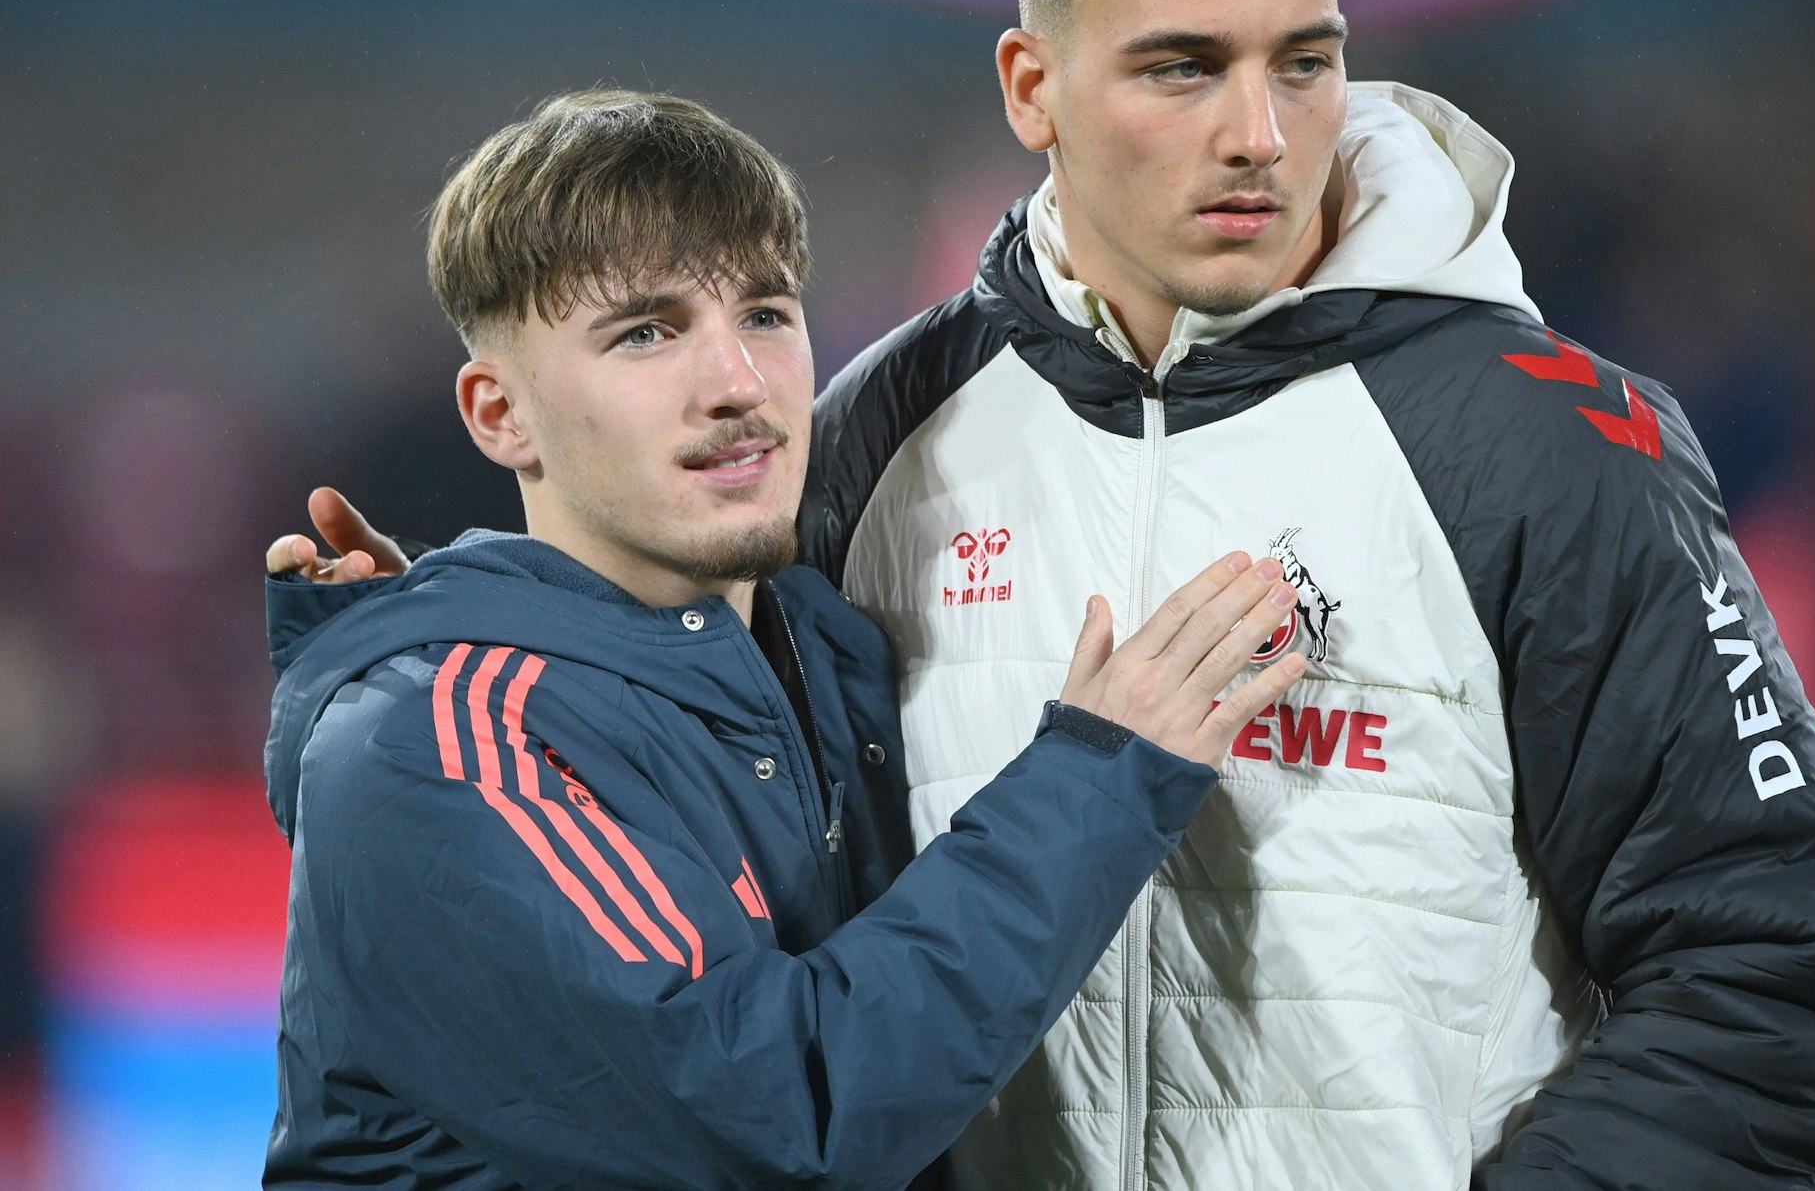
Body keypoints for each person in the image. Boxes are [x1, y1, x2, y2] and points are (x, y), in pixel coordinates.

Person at [279, 0, 1815, 1188]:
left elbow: (1779, 979)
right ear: (1031, 88)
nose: (1261, 134)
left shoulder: (1545, 446)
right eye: (1181, 68)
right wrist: (443, 654)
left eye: (1306, 62)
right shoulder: (883, 436)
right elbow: (709, 833)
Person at [259, 88, 1312, 1189]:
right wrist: (1100, 776)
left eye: (764, 314)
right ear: (499, 414)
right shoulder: (435, 743)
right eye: (646, 333)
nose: (740, 385)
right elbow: (779, 1120)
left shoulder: (827, 647)